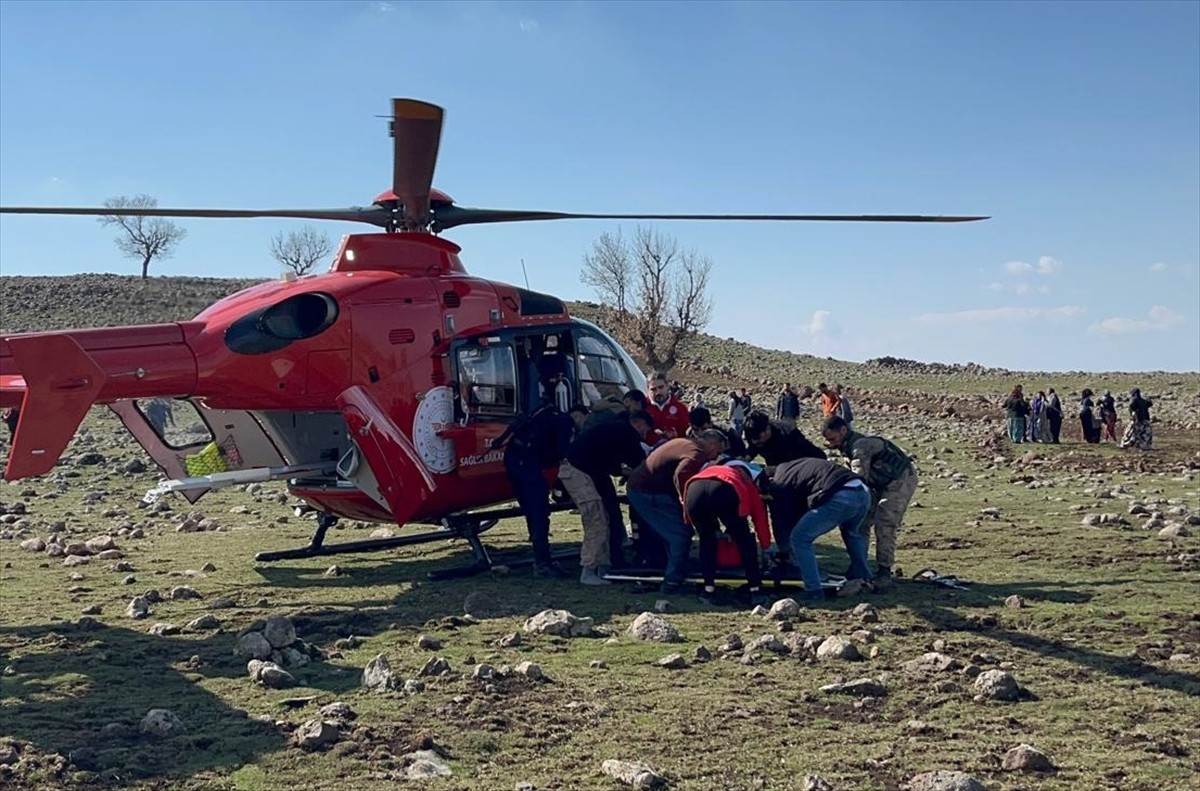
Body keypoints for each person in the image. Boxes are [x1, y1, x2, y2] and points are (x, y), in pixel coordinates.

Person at [625, 429, 728, 592]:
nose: (715, 457)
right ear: (711, 444)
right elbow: (682, 473)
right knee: (680, 534)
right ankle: (673, 580)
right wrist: (686, 502)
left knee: (671, 531)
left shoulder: (686, 442)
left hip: (645, 487)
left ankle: (672, 565)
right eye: (717, 451)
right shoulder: (697, 454)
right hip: (648, 493)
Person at [558, 410, 654, 585]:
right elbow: (639, 463)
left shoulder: (613, 428)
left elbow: (612, 466)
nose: (644, 435)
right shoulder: (627, 433)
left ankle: (603, 567)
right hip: (578, 472)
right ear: (639, 423)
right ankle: (588, 571)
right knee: (597, 520)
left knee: (606, 517)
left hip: (583, 470)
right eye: (645, 430)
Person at [821, 415, 918, 586]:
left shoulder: (860, 447)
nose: (832, 444)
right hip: (876, 482)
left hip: (900, 479)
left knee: (885, 523)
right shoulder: (846, 446)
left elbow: (858, 478)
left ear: (843, 430)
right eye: (828, 441)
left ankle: (884, 571)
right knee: (859, 522)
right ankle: (860, 566)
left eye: (833, 439)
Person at [764, 457, 872, 601]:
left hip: (840, 496)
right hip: (863, 492)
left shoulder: (780, 480)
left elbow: (783, 519)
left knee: (800, 539)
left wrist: (784, 551)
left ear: (770, 478)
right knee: (851, 533)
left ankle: (813, 590)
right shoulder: (794, 465)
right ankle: (864, 578)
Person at [494, 401, 576, 578]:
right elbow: (564, 453)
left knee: (531, 509)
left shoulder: (541, 413)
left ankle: (538, 550)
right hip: (527, 463)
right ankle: (542, 562)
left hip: (513, 459)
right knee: (540, 511)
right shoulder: (565, 422)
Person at [682, 458, 772, 606]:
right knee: (746, 541)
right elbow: (759, 517)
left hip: (693, 489)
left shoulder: (710, 470)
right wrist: (765, 544)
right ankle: (755, 590)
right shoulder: (744, 478)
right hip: (724, 490)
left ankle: (708, 590)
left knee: (707, 540)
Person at [743, 410, 826, 466]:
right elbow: (753, 448)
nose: (757, 443)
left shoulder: (789, 435)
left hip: (804, 463)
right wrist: (744, 460)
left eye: (759, 441)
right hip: (776, 466)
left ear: (766, 430)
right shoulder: (752, 432)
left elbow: (792, 464)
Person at [647, 373, 691, 442]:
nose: (658, 392)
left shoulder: (680, 408)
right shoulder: (642, 407)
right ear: (648, 390)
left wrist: (676, 436)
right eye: (653, 389)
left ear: (667, 386)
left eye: (661, 387)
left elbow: (686, 434)